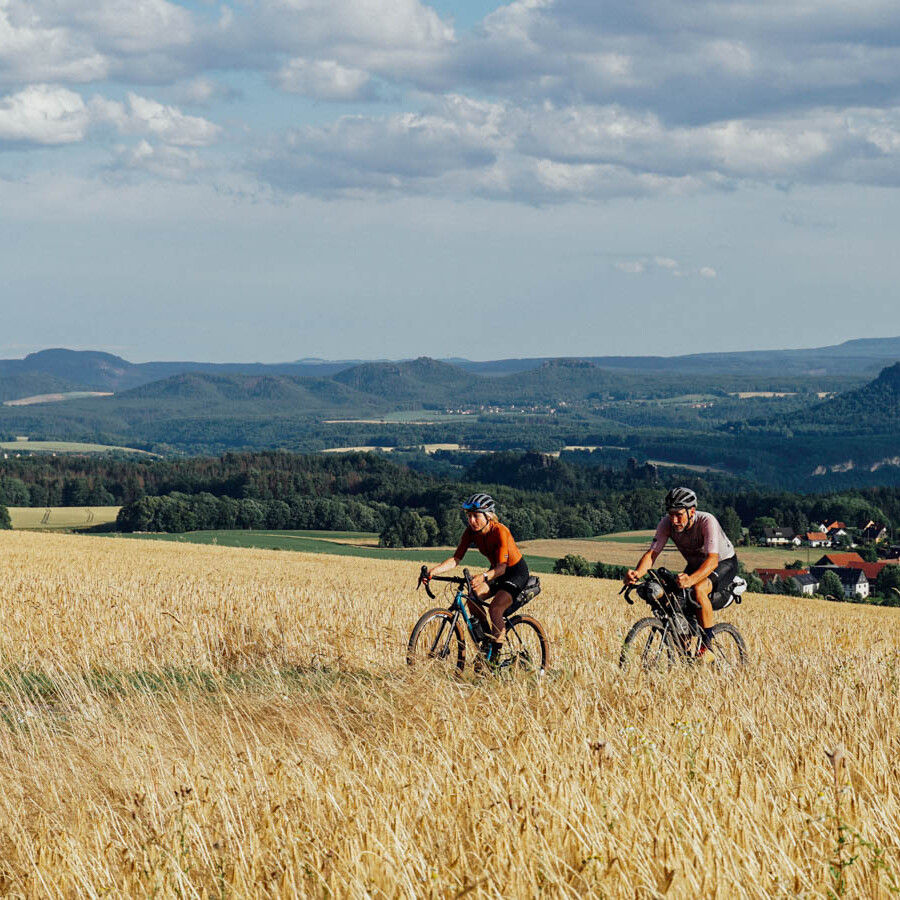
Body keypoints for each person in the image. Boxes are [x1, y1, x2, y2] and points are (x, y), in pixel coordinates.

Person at [624, 486, 738, 656]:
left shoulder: (707, 521)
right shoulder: (666, 524)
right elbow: (652, 553)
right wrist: (637, 573)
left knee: (699, 589)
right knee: (674, 601)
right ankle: (685, 655)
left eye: (679, 514)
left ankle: (707, 648)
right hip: (696, 565)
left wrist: (691, 581)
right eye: (671, 514)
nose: (674, 519)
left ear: (691, 511)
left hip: (722, 563)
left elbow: (712, 560)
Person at [424, 493, 530, 661]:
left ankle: (494, 659)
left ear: (488, 516)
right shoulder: (470, 533)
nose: (471, 521)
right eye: (469, 517)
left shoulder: (500, 531)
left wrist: (483, 577)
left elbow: (502, 568)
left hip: (515, 572)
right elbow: (456, 559)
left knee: (495, 609)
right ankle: (488, 641)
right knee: (472, 599)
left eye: (476, 516)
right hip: (495, 571)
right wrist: (433, 571)